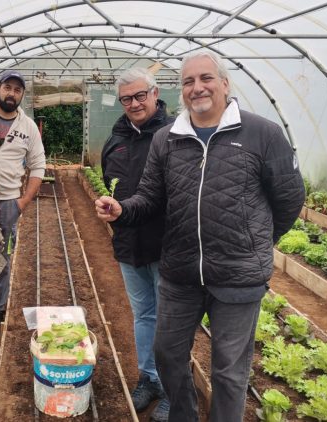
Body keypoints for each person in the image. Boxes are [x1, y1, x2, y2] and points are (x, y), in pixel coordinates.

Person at [95, 50, 305, 421]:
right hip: (181, 272)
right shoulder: (168, 139)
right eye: (188, 81)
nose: (197, 88)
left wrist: (255, 242)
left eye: (206, 78)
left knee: (229, 371)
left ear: (224, 83)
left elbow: (289, 200)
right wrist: (123, 210)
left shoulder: (262, 133)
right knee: (168, 353)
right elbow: (150, 197)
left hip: (238, 276)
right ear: (181, 90)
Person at [101, 67, 172, 421]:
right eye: (126, 98)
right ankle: (150, 377)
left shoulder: (174, 134)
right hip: (129, 242)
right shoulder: (116, 138)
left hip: (166, 244)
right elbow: (108, 182)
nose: (134, 103)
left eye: (140, 95)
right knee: (144, 314)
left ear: (155, 93)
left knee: (171, 319)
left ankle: (174, 387)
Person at [0, 70, 46, 336]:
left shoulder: (27, 127)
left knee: (1, 258)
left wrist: (23, 201)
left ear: (22, 95)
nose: (11, 93)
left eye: (17, 89)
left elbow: (38, 166)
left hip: (8, 201)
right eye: (7, 87)